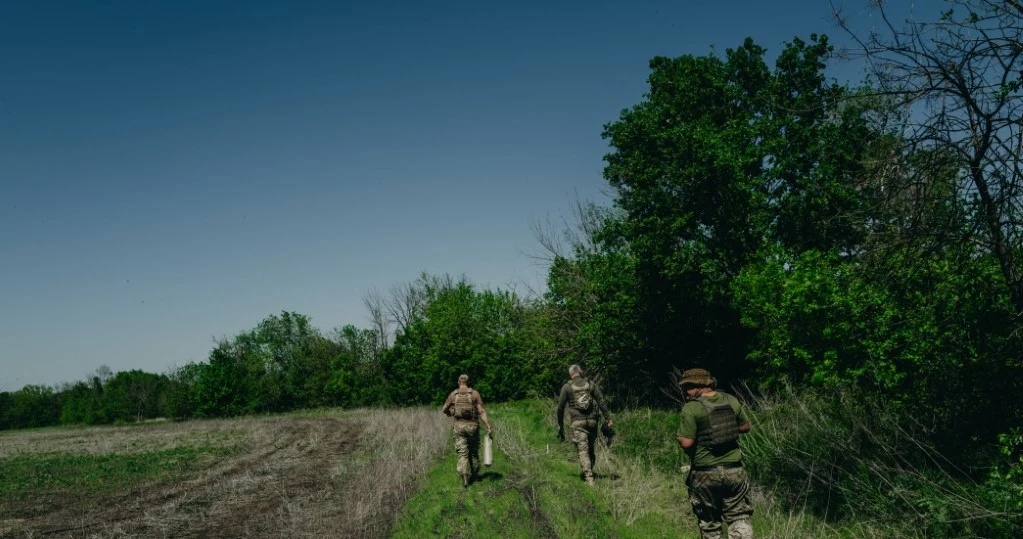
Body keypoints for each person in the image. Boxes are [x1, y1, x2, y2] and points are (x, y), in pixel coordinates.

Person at [676, 368, 754, 539]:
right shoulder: (730, 400)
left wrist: (680, 438)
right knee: (739, 518)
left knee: (710, 524)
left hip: (705, 473)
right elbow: (745, 427)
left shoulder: (692, 407)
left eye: (687, 387)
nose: (684, 391)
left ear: (700, 386)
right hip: (735, 471)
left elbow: (686, 441)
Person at [555, 364, 613, 485]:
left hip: (577, 423)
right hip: (592, 422)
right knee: (591, 448)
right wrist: (608, 418)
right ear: (581, 372)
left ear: (570, 374)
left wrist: (560, 424)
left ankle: (589, 477)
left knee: (582, 450)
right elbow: (601, 401)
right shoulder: (591, 384)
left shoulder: (567, 387)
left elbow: (560, 408)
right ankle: (591, 469)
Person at [441, 374, 492, 488]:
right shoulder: (474, 394)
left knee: (462, 453)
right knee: (473, 452)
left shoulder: (453, 395)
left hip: (458, 427)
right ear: (468, 382)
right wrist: (488, 426)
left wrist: (450, 413)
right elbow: (482, 411)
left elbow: (444, 409)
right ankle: (475, 475)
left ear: (458, 382)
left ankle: (464, 475)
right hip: (472, 427)